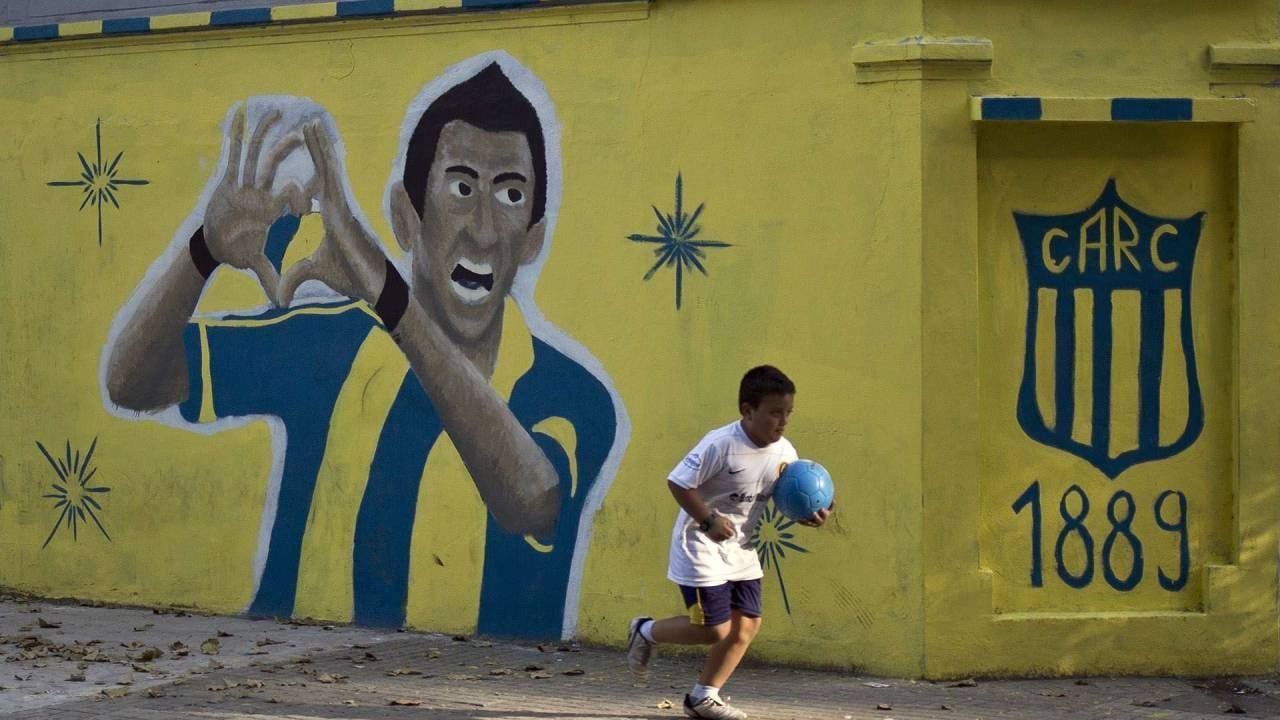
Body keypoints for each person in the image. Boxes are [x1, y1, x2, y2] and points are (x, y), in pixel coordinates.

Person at [101, 53, 625, 638]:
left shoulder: (575, 397)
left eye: (508, 196)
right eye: (460, 187)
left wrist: (388, 294)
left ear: (533, 239)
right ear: (406, 216)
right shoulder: (327, 346)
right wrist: (203, 251)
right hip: (291, 679)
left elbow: (532, 501)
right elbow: (131, 382)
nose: (482, 228)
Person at [626, 365, 830, 720]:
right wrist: (707, 519)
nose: (782, 422)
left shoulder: (785, 452)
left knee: (747, 625)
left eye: (788, 413)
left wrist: (812, 512)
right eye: (774, 413)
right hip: (700, 545)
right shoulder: (721, 445)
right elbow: (678, 482)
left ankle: (704, 697)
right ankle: (644, 631)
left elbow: (792, 495)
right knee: (713, 629)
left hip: (741, 549)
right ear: (747, 411)